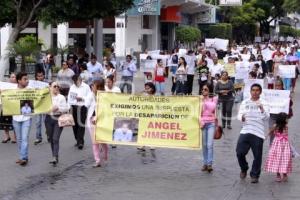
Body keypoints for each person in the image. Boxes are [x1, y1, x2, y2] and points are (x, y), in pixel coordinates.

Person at [236, 84, 270, 183]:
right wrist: (241, 117)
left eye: (257, 90)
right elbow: (239, 115)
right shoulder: (245, 102)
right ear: (250, 91)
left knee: (257, 155)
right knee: (239, 152)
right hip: (246, 130)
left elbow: (266, 118)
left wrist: (262, 108)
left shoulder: (264, 102)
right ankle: (244, 168)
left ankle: (255, 175)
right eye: (253, 90)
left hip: (258, 132)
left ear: (260, 92)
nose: (255, 92)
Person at [46, 82, 69, 166]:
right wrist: (50, 109)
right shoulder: (47, 98)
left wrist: (58, 108)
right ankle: (54, 155)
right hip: (48, 119)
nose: (56, 88)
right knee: (51, 138)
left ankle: (55, 156)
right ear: (50, 87)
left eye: (57, 86)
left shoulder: (61, 97)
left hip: (58, 118)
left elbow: (66, 108)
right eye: (54, 86)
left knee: (55, 138)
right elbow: (42, 108)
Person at [86, 79, 108, 168]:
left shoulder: (105, 96)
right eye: (92, 86)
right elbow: (86, 104)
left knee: (102, 140)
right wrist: (91, 95)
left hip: (101, 121)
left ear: (98, 87)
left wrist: (97, 117)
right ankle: (97, 160)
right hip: (91, 120)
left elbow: (105, 110)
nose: (92, 87)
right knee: (94, 142)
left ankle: (105, 153)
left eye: (94, 86)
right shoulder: (90, 95)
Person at [264, 112, 292, 182]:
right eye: (286, 118)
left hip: (285, 144)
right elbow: (270, 132)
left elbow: (286, 135)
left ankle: (285, 173)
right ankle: (278, 174)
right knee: (277, 158)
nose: (287, 119)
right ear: (283, 119)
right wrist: (265, 137)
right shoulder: (275, 126)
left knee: (285, 158)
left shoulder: (286, 126)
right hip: (277, 144)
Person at [13, 72, 32, 166]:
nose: (27, 81)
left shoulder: (30, 90)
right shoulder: (12, 91)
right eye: (25, 79)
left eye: (27, 79)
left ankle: (23, 158)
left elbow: (38, 97)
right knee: (19, 139)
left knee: (24, 138)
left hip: (26, 118)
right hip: (15, 118)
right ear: (19, 80)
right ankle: (23, 156)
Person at [68, 75, 91, 149]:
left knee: (81, 124)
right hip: (74, 107)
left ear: (80, 79)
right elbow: (69, 99)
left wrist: (82, 98)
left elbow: (90, 97)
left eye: (76, 81)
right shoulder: (72, 87)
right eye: (74, 81)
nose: (75, 82)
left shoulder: (86, 87)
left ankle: (80, 142)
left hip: (82, 107)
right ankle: (77, 139)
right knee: (75, 125)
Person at [200, 83, 218, 173]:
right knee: (204, 145)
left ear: (210, 90)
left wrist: (205, 100)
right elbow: (197, 112)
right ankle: (205, 163)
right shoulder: (199, 99)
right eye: (203, 89)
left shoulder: (213, 99)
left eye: (206, 89)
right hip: (203, 124)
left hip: (211, 123)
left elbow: (212, 109)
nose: (203, 91)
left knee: (209, 144)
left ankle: (209, 163)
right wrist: (200, 120)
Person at [137, 82, 156, 164]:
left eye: (148, 88)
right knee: (142, 129)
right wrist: (142, 91)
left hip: (151, 115)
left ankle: (152, 144)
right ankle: (141, 144)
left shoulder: (154, 96)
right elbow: (136, 97)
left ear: (152, 88)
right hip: (143, 114)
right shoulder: (143, 95)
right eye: (146, 88)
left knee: (151, 129)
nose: (147, 89)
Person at [1, 73, 17, 143]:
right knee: (4, 122)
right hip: (6, 106)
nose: (13, 78)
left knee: (15, 122)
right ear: (10, 78)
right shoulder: (5, 86)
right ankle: (7, 136)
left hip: (14, 106)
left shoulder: (18, 86)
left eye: (14, 77)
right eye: (12, 77)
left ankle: (15, 137)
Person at [33, 70, 46, 145]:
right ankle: (38, 137)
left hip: (45, 105)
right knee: (38, 122)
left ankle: (49, 135)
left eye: (41, 76)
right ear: (36, 77)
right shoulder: (33, 84)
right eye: (38, 76)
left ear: (43, 76)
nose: (40, 77)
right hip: (37, 105)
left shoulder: (46, 84)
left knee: (46, 122)